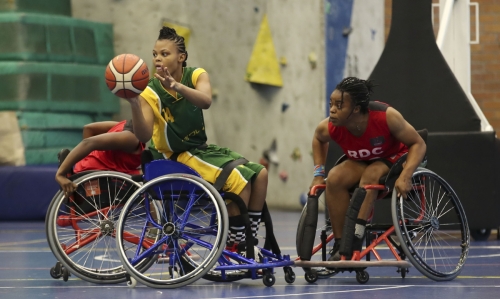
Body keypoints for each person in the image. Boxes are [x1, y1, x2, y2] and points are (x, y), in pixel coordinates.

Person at [123, 26, 268, 249]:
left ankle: (249, 239)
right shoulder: (149, 92)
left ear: (181, 57)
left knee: (261, 175)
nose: (158, 59)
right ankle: (232, 248)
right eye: (154, 54)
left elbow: (205, 101)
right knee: (239, 180)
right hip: (174, 157)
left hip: (200, 150)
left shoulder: (196, 75)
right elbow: (142, 135)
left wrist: (177, 86)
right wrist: (134, 103)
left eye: (164, 53)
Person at [310, 77, 426, 261]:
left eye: (339, 105)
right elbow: (318, 138)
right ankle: (341, 244)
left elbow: (418, 143)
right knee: (334, 178)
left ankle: (355, 236)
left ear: (356, 108)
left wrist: (406, 175)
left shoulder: (386, 117)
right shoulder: (331, 126)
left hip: (392, 157)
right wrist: (318, 174)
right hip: (362, 159)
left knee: (371, 175)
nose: (332, 109)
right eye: (331, 104)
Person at [55, 120, 144, 196]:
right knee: (148, 178)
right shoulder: (131, 138)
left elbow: (88, 128)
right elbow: (88, 142)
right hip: (94, 176)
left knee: (147, 174)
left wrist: (87, 158)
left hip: (92, 169)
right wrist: (60, 174)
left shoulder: (124, 124)